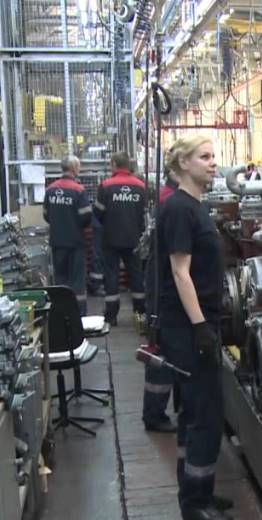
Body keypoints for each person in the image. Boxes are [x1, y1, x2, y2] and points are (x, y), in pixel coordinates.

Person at [156, 136, 233, 520]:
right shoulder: (179, 209)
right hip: (188, 328)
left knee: (193, 413)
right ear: (183, 163)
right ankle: (195, 503)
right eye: (205, 156)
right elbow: (179, 271)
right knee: (206, 414)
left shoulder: (194, 205)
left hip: (198, 323)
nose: (213, 162)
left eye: (213, 155)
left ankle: (196, 489)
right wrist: (200, 326)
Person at [140, 169, 181, 433]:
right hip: (163, 290)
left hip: (159, 284)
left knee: (163, 349)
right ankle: (154, 415)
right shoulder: (172, 202)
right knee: (162, 352)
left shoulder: (167, 197)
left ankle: (156, 411)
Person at [94, 152, 147, 326]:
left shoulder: (106, 186)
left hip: (111, 238)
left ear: (114, 164)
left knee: (111, 275)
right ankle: (140, 312)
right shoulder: (141, 186)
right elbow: (144, 213)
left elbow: (98, 212)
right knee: (136, 274)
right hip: (134, 239)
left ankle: (111, 316)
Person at [43, 155, 92, 316]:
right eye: (79, 167)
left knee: (60, 280)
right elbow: (86, 216)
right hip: (75, 242)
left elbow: (46, 215)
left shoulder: (50, 189)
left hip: (57, 241)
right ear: (74, 168)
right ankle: (79, 315)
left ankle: (62, 315)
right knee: (77, 281)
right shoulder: (78, 190)